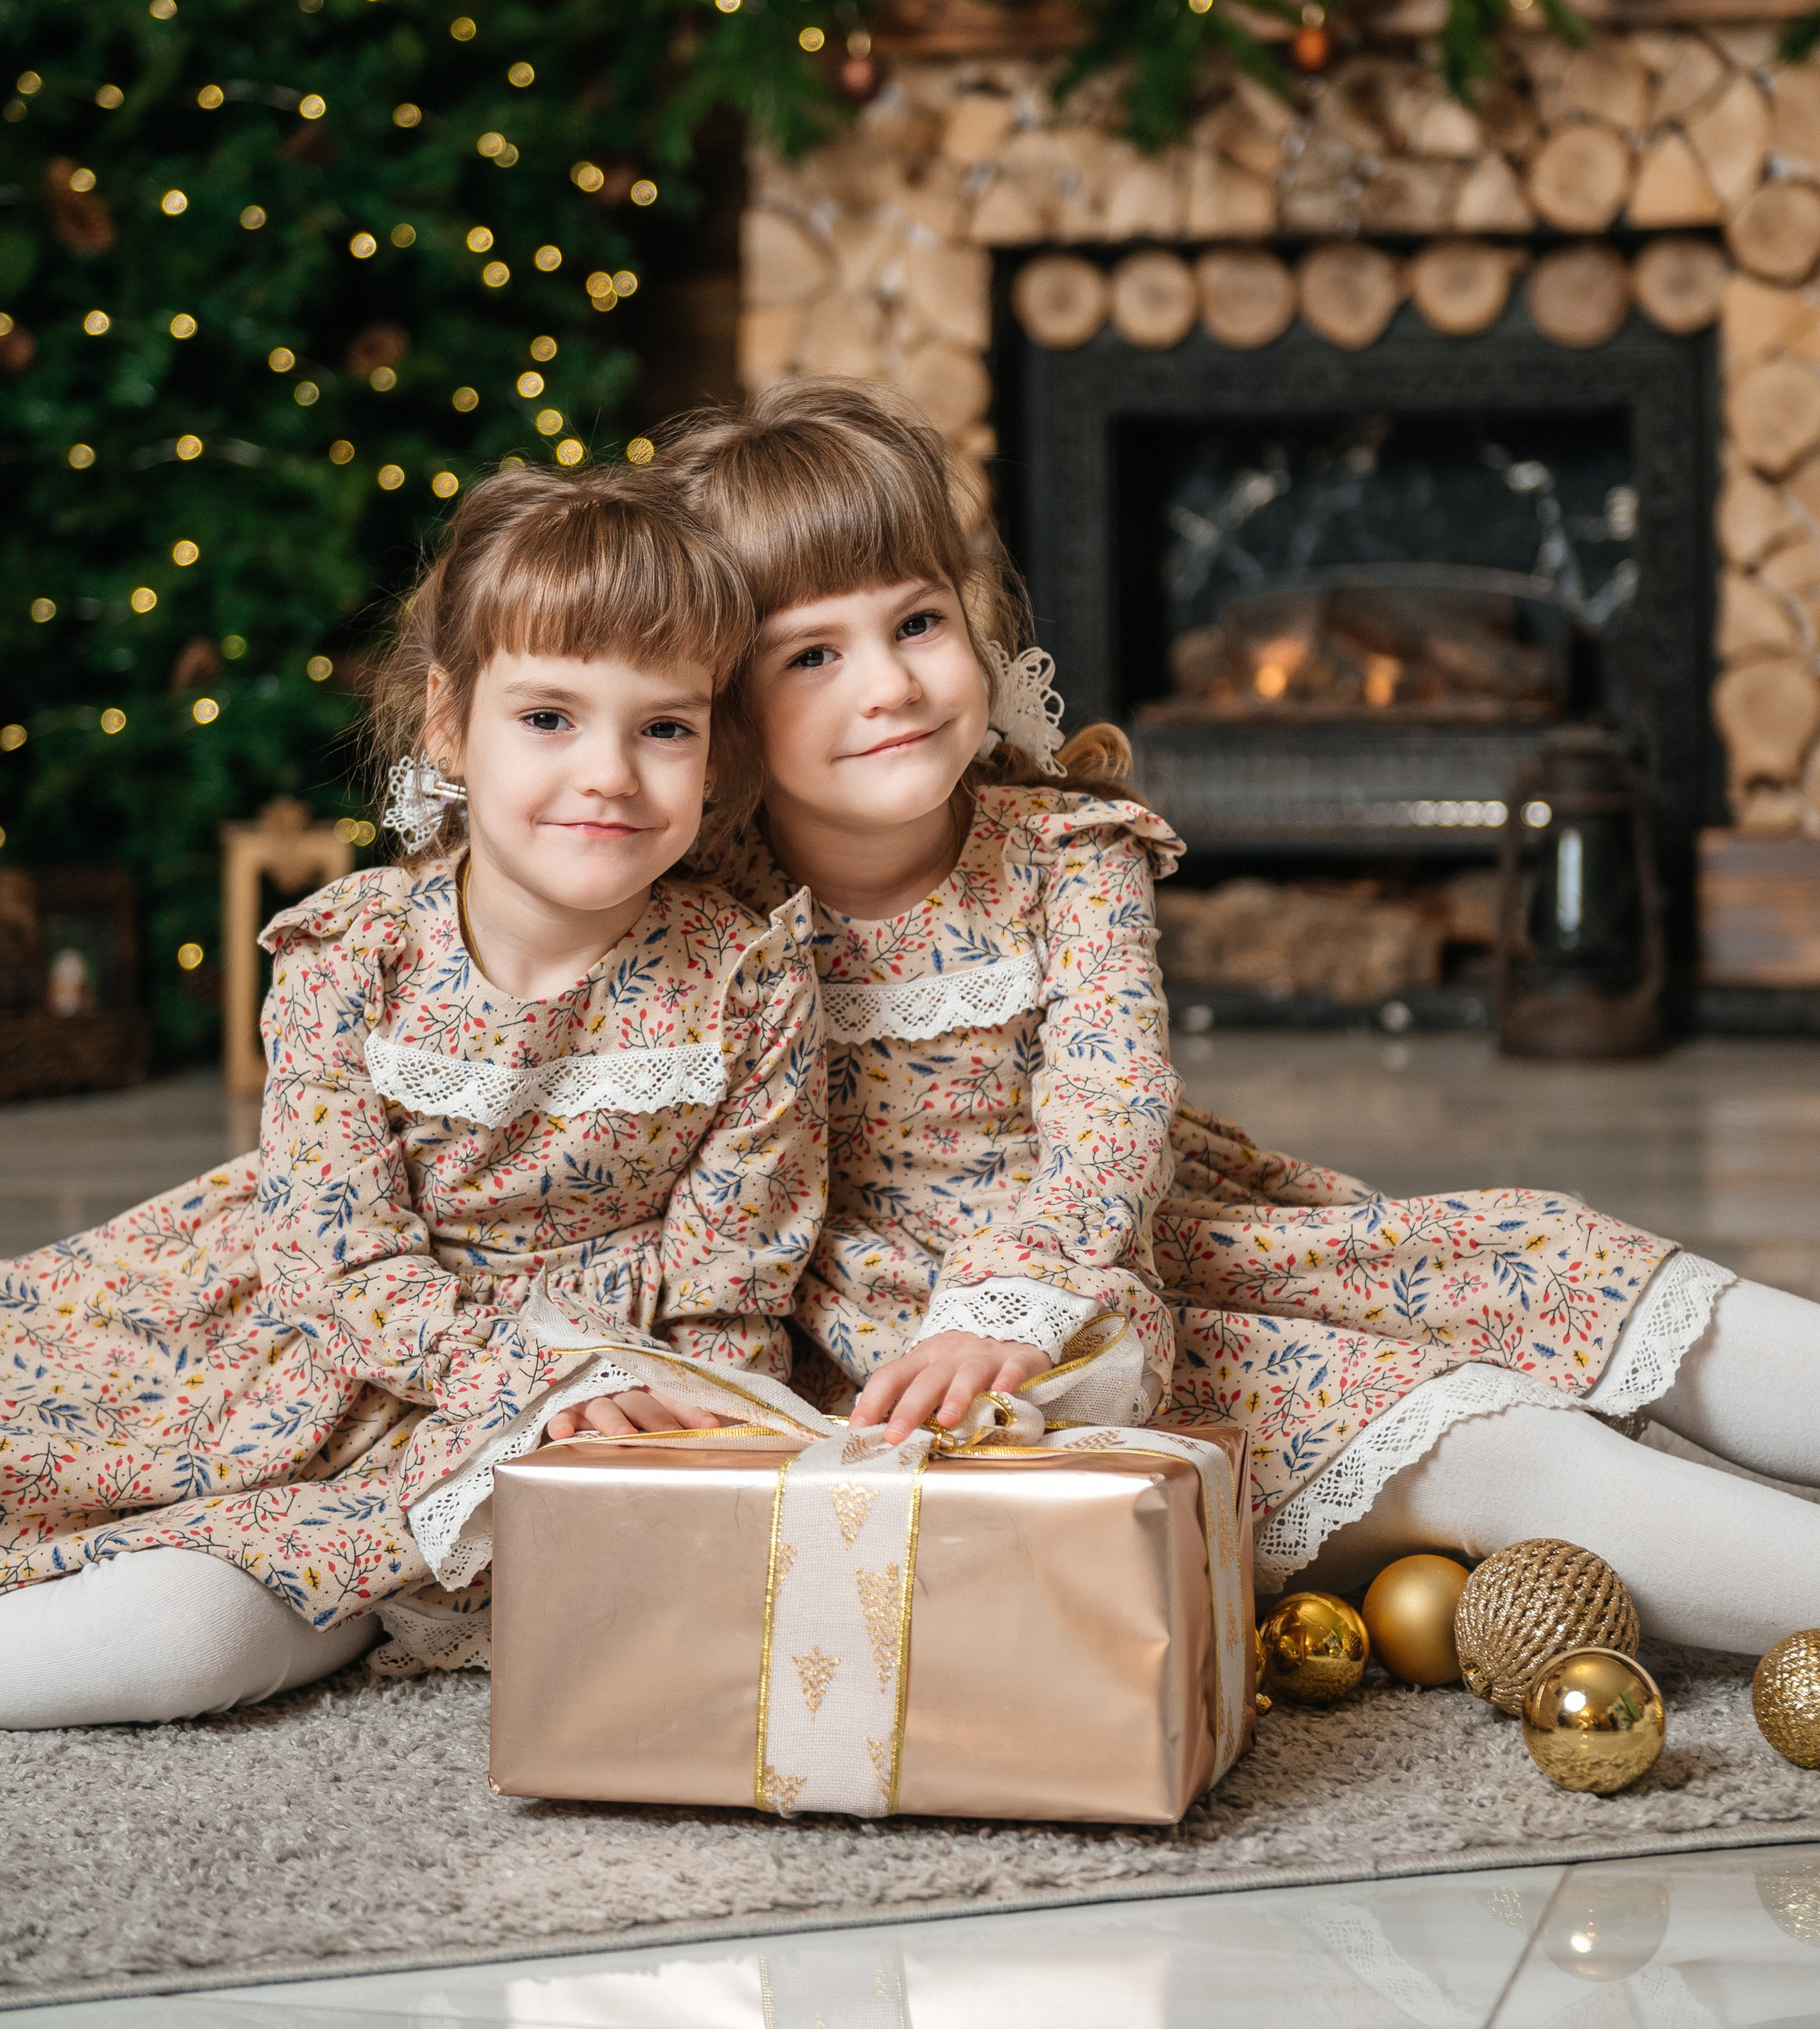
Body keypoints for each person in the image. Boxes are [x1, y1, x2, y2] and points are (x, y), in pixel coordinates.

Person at [666, 379, 1820, 1656]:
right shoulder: (710, 920)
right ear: (723, 704)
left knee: (1550, 1255)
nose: (888, 683)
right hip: (907, 1331)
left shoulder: (1064, 850)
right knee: (1493, 1439)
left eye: (918, 621)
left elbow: (1112, 1113)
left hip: (1128, 1236)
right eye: (813, 655)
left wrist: (1018, 1288)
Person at [0, 464, 825, 1726]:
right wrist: (518, 1370)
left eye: (663, 726)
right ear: (449, 722)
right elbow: (339, 1261)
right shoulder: (350, 955)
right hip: (317, 1357)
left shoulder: (748, 980)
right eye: (549, 717)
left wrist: (683, 1450)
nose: (610, 772)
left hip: (587, 1413)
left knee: (187, 1640)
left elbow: (734, 1293)